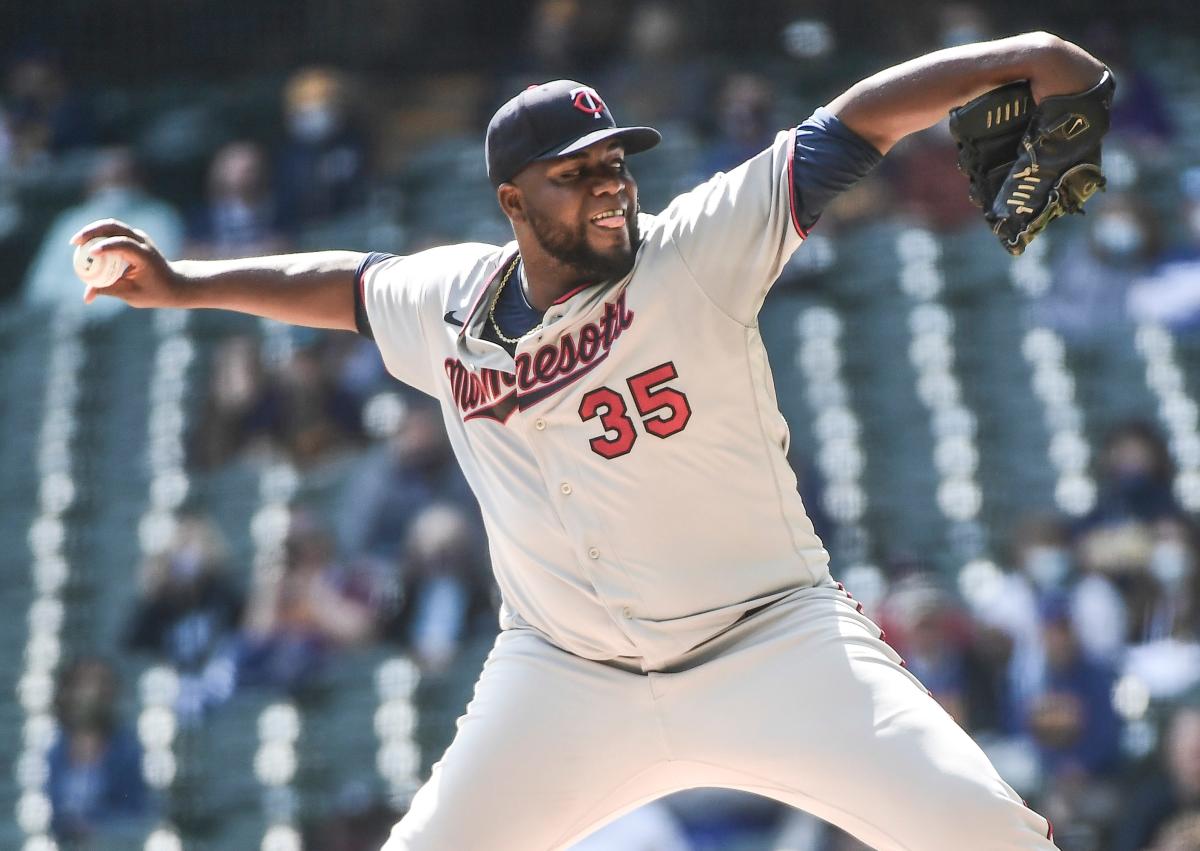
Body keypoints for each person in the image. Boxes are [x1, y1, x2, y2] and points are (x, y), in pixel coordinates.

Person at [72, 31, 1107, 850]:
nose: (611, 183)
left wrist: (1026, 53)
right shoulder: (449, 299)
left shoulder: (696, 248)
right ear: (513, 201)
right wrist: (184, 283)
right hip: (565, 676)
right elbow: (343, 284)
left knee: (985, 830)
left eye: (615, 161)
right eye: (576, 173)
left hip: (773, 641)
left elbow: (850, 125)